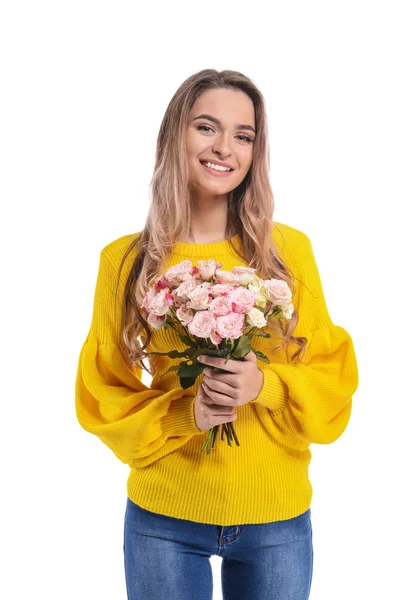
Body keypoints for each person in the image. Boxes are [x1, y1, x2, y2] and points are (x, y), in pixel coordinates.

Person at [75, 68, 359, 600]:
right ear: (175, 135)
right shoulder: (125, 261)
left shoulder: (286, 252)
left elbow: (330, 377)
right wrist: (189, 414)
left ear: (256, 151)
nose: (224, 147)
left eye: (243, 135)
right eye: (207, 127)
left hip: (275, 516)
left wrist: (264, 385)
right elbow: (103, 392)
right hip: (164, 517)